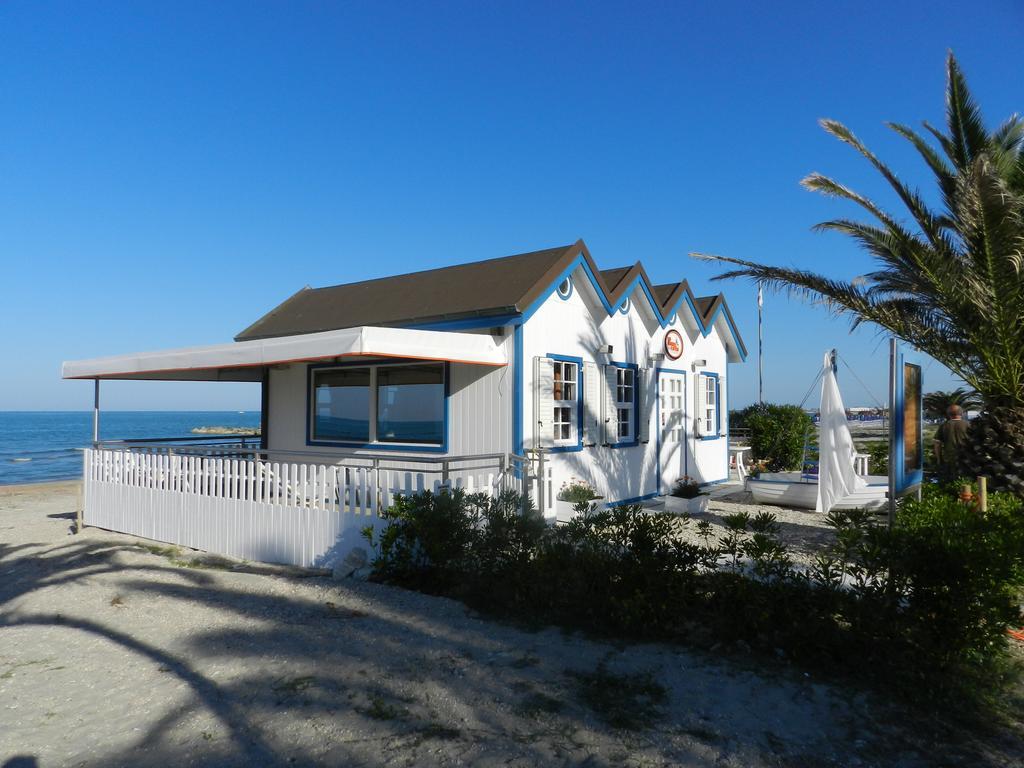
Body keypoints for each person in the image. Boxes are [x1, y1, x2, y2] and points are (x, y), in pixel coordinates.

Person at [933, 404, 969, 481]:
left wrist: (939, 459)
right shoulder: (968, 425)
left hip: (948, 459)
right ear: (962, 413)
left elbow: (937, 444)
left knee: (949, 481)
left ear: (948, 414)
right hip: (966, 458)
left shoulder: (944, 426)